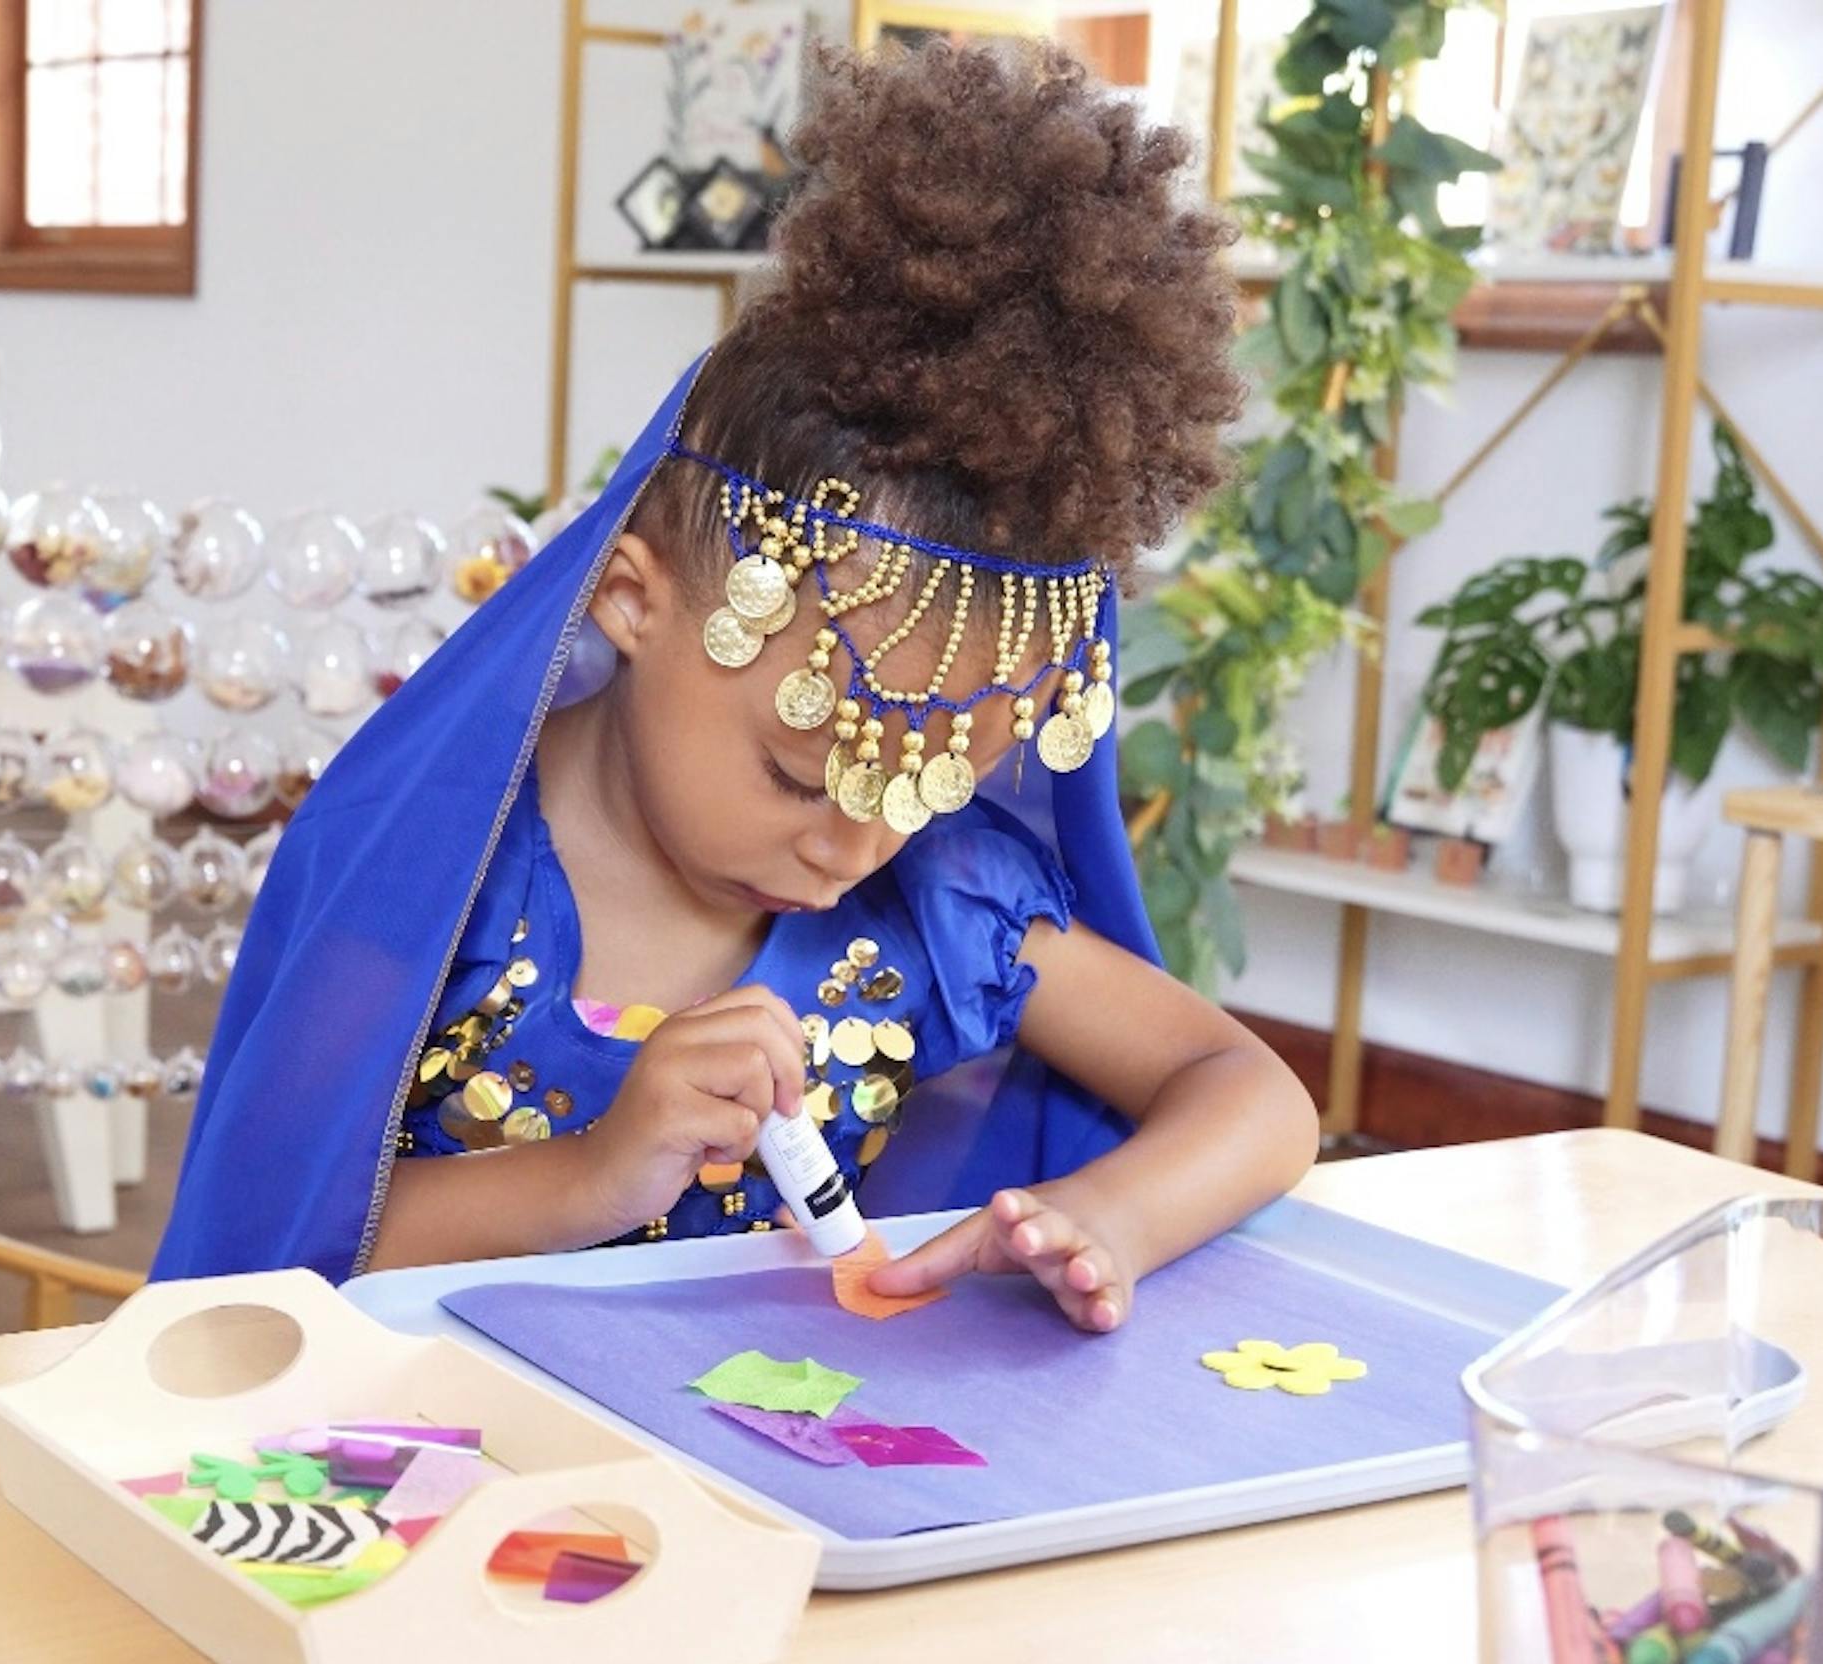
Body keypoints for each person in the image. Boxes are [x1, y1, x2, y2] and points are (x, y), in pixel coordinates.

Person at [155, 40, 1315, 1332]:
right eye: (803, 771)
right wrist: (594, 1176)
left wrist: (1114, 1217)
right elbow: (270, 1254)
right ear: (632, 598)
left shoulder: (932, 902)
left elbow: (1252, 1095)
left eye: (924, 787)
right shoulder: (432, 883)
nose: (852, 850)